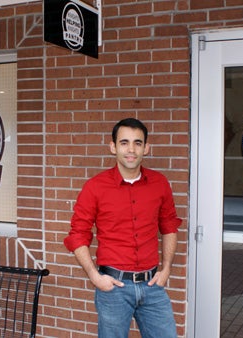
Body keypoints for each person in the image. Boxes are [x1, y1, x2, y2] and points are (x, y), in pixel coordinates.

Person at [64, 118, 182, 338]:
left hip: (152, 285)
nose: (131, 149)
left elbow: (169, 226)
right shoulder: (95, 187)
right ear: (113, 147)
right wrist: (93, 275)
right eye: (124, 142)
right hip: (113, 288)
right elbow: (78, 234)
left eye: (138, 143)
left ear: (146, 148)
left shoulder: (160, 184)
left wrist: (166, 268)